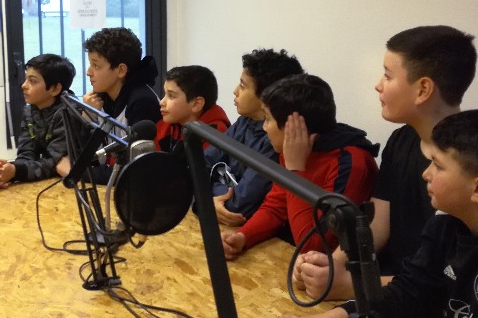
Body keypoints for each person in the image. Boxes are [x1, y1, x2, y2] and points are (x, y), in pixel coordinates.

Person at [284, 108, 478, 318]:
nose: (426, 174)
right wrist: (339, 315)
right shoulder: (448, 220)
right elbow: (409, 291)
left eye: (437, 166)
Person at [293, 25, 477, 299]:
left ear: (423, 89)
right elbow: (378, 224)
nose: (378, 85)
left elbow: (445, 278)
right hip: (387, 283)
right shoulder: (401, 140)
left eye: (388, 76)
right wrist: (333, 265)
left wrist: (349, 286)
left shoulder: (469, 166)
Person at [221, 74, 378, 260]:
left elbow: (314, 246)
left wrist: (295, 170)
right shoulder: (292, 150)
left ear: (292, 128)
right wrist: (242, 236)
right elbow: (276, 207)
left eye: (268, 119)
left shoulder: (351, 164)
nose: (264, 127)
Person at [204, 48, 304, 226]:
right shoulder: (245, 121)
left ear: (267, 96)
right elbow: (198, 167)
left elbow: (236, 206)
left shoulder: (277, 140)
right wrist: (207, 201)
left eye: (243, 86)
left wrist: (210, 188)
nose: (235, 91)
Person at [82, 27, 161, 184]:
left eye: (96, 66)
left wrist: (83, 173)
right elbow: (89, 158)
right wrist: (87, 119)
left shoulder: (142, 102)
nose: (88, 72)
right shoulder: (99, 98)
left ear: (120, 70)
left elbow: (134, 170)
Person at [0, 54, 75, 189]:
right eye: (25, 79)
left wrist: (17, 172)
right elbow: (26, 153)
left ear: (55, 89)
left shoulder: (70, 113)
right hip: (45, 182)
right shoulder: (30, 111)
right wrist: (8, 171)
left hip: (69, 185)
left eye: (32, 81)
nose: (23, 86)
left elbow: (55, 163)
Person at [154, 65, 230, 156]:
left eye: (171, 96)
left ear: (196, 104)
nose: (162, 102)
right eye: (165, 94)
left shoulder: (215, 135)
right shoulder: (165, 126)